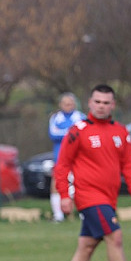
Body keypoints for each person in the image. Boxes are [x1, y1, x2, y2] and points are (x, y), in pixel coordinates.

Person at [55, 84, 131, 261]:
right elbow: (62, 166)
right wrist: (64, 195)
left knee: (87, 245)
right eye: (97, 102)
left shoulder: (121, 131)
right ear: (90, 103)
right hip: (89, 197)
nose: (101, 106)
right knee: (114, 237)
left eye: (106, 102)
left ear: (113, 105)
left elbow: (128, 164)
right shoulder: (77, 131)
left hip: (109, 198)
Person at [47, 92, 86, 222]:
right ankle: (58, 216)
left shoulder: (81, 117)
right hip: (59, 158)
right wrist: (71, 132)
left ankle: (83, 213)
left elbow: (82, 136)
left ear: (74, 104)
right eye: (65, 104)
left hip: (78, 158)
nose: (67, 106)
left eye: (70, 104)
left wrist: (66, 133)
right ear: (60, 105)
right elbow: (53, 135)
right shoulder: (55, 118)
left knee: (81, 185)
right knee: (56, 185)